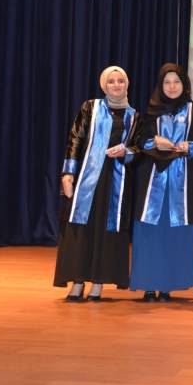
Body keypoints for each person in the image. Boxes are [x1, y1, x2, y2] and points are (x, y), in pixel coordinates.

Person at [54, 66, 138, 301]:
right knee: (81, 230)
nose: (116, 85)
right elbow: (75, 138)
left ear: (127, 84)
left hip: (115, 181)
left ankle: (98, 282)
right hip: (87, 178)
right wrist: (68, 173)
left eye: (120, 81)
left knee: (105, 232)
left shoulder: (134, 115)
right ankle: (78, 280)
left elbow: (138, 148)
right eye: (111, 81)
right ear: (104, 85)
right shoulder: (90, 107)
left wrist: (126, 151)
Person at [130, 63, 193, 302]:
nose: (172, 87)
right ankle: (148, 285)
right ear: (160, 85)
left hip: (182, 183)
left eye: (176, 82)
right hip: (153, 181)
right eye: (167, 82)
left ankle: (168, 285)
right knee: (150, 232)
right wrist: (155, 141)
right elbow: (138, 142)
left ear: (184, 84)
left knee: (176, 234)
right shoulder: (150, 111)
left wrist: (190, 147)